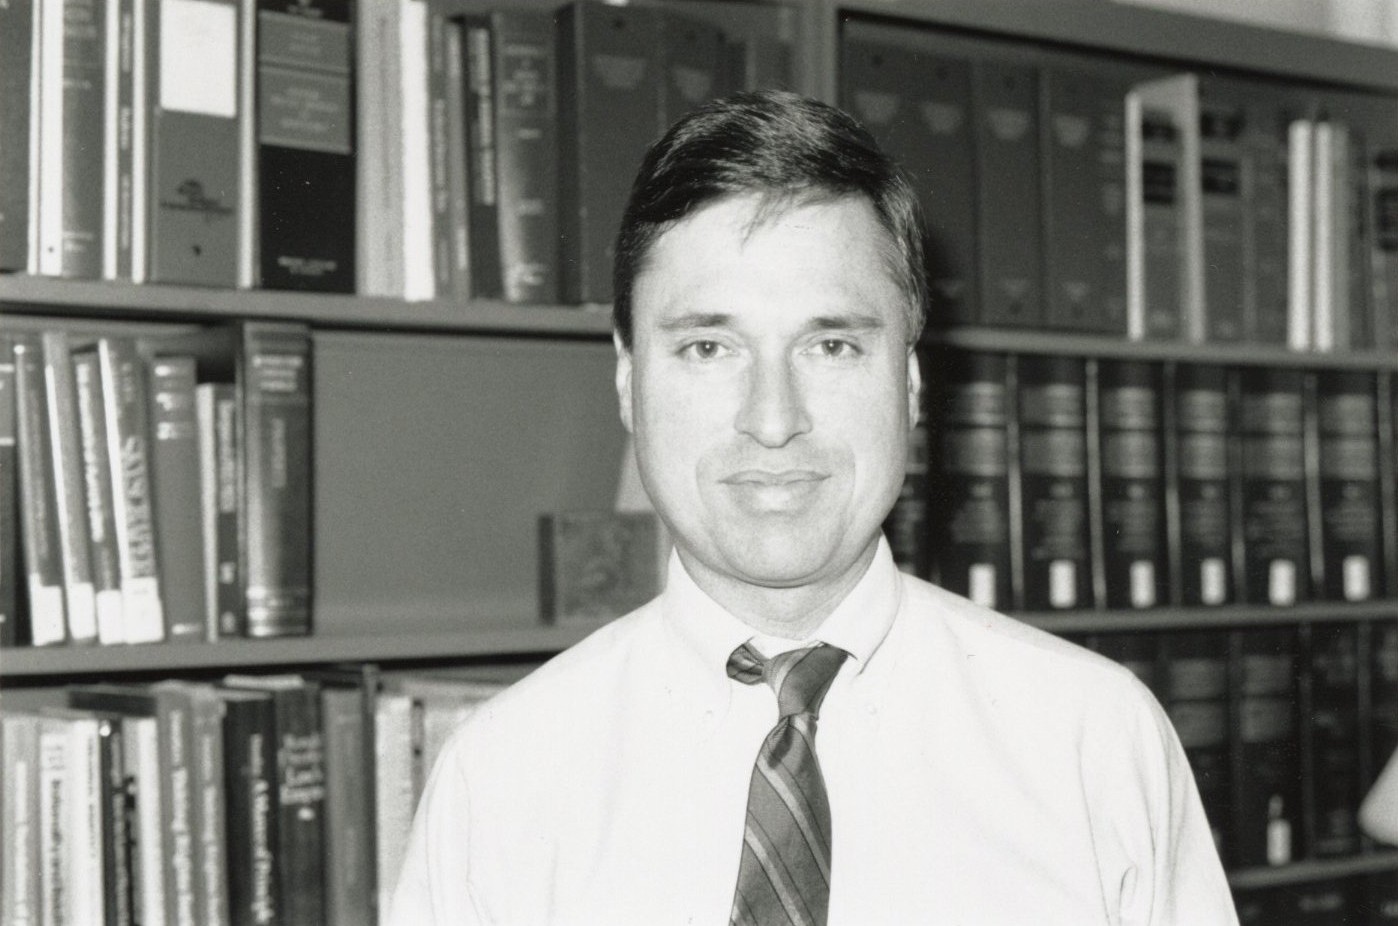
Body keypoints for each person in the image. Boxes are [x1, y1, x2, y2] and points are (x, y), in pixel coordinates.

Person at [389, 89, 1237, 925]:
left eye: (830, 345)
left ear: (907, 381)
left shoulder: (1096, 742)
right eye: (708, 347)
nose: (773, 419)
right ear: (626, 377)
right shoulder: (497, 781)